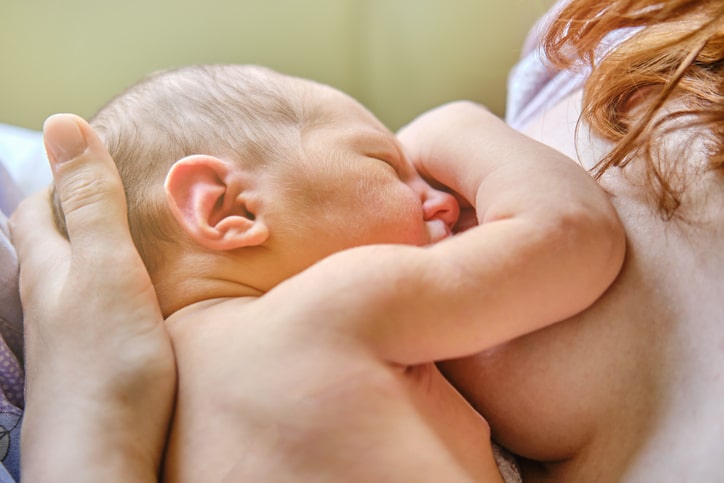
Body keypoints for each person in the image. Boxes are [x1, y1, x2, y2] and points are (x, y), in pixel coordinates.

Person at [12, 0, 723, 480]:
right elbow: (573, 238)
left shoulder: (164, 415)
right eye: (387, 162)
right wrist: (458, 125)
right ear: (228, 208)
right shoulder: (325, 309)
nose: (441, 195)